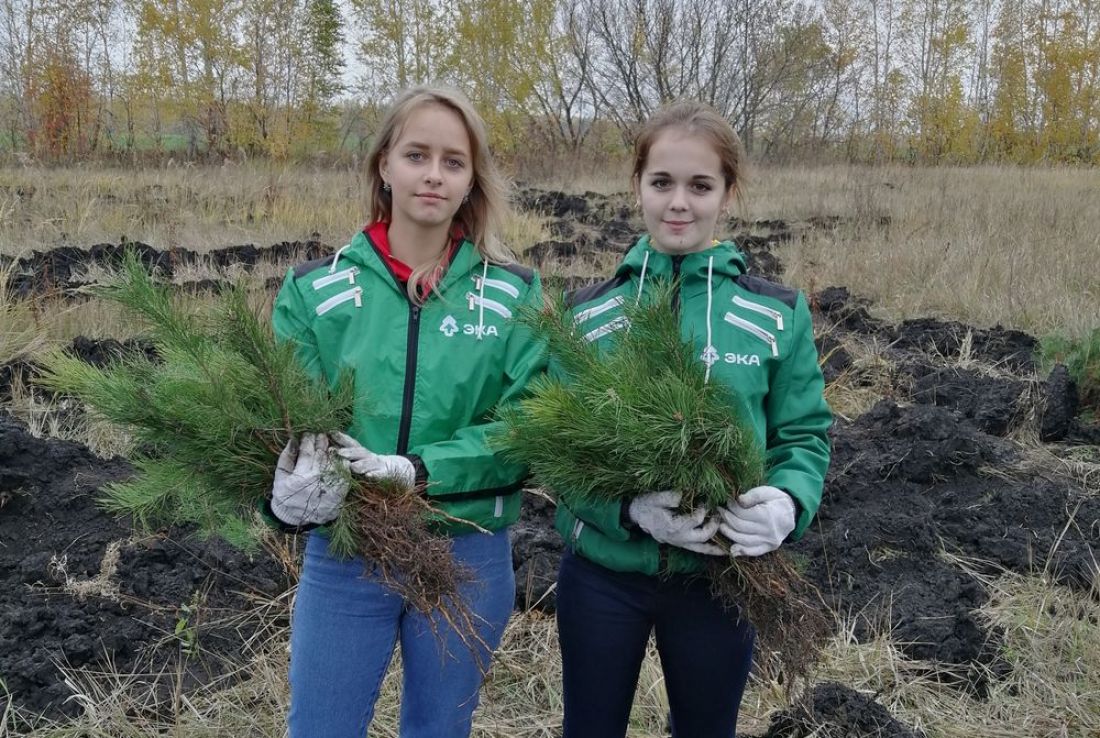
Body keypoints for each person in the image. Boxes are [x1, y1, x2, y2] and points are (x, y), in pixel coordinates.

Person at [263, 86, 545, 738]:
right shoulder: (315, 291)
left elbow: (527, 428)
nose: (433, 174)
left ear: (472, 180)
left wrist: (417, 470)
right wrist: (280, 498)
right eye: (417, 154)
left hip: (468, 555)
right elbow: (280, 430)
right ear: (384, 165)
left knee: (439, 729)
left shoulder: (513, 297)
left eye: (454, 161)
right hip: (347, 556)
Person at [554, 100, 832, 737]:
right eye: (662, 183)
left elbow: (804, 434)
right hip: (603, 577)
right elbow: (557, 452)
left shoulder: (775, 314)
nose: (679, 203)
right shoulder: (585, 317)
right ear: (638, 187)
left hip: (721, 576)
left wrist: (788, 503)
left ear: (728, 194)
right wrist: (626, 511)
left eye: (700, 186)